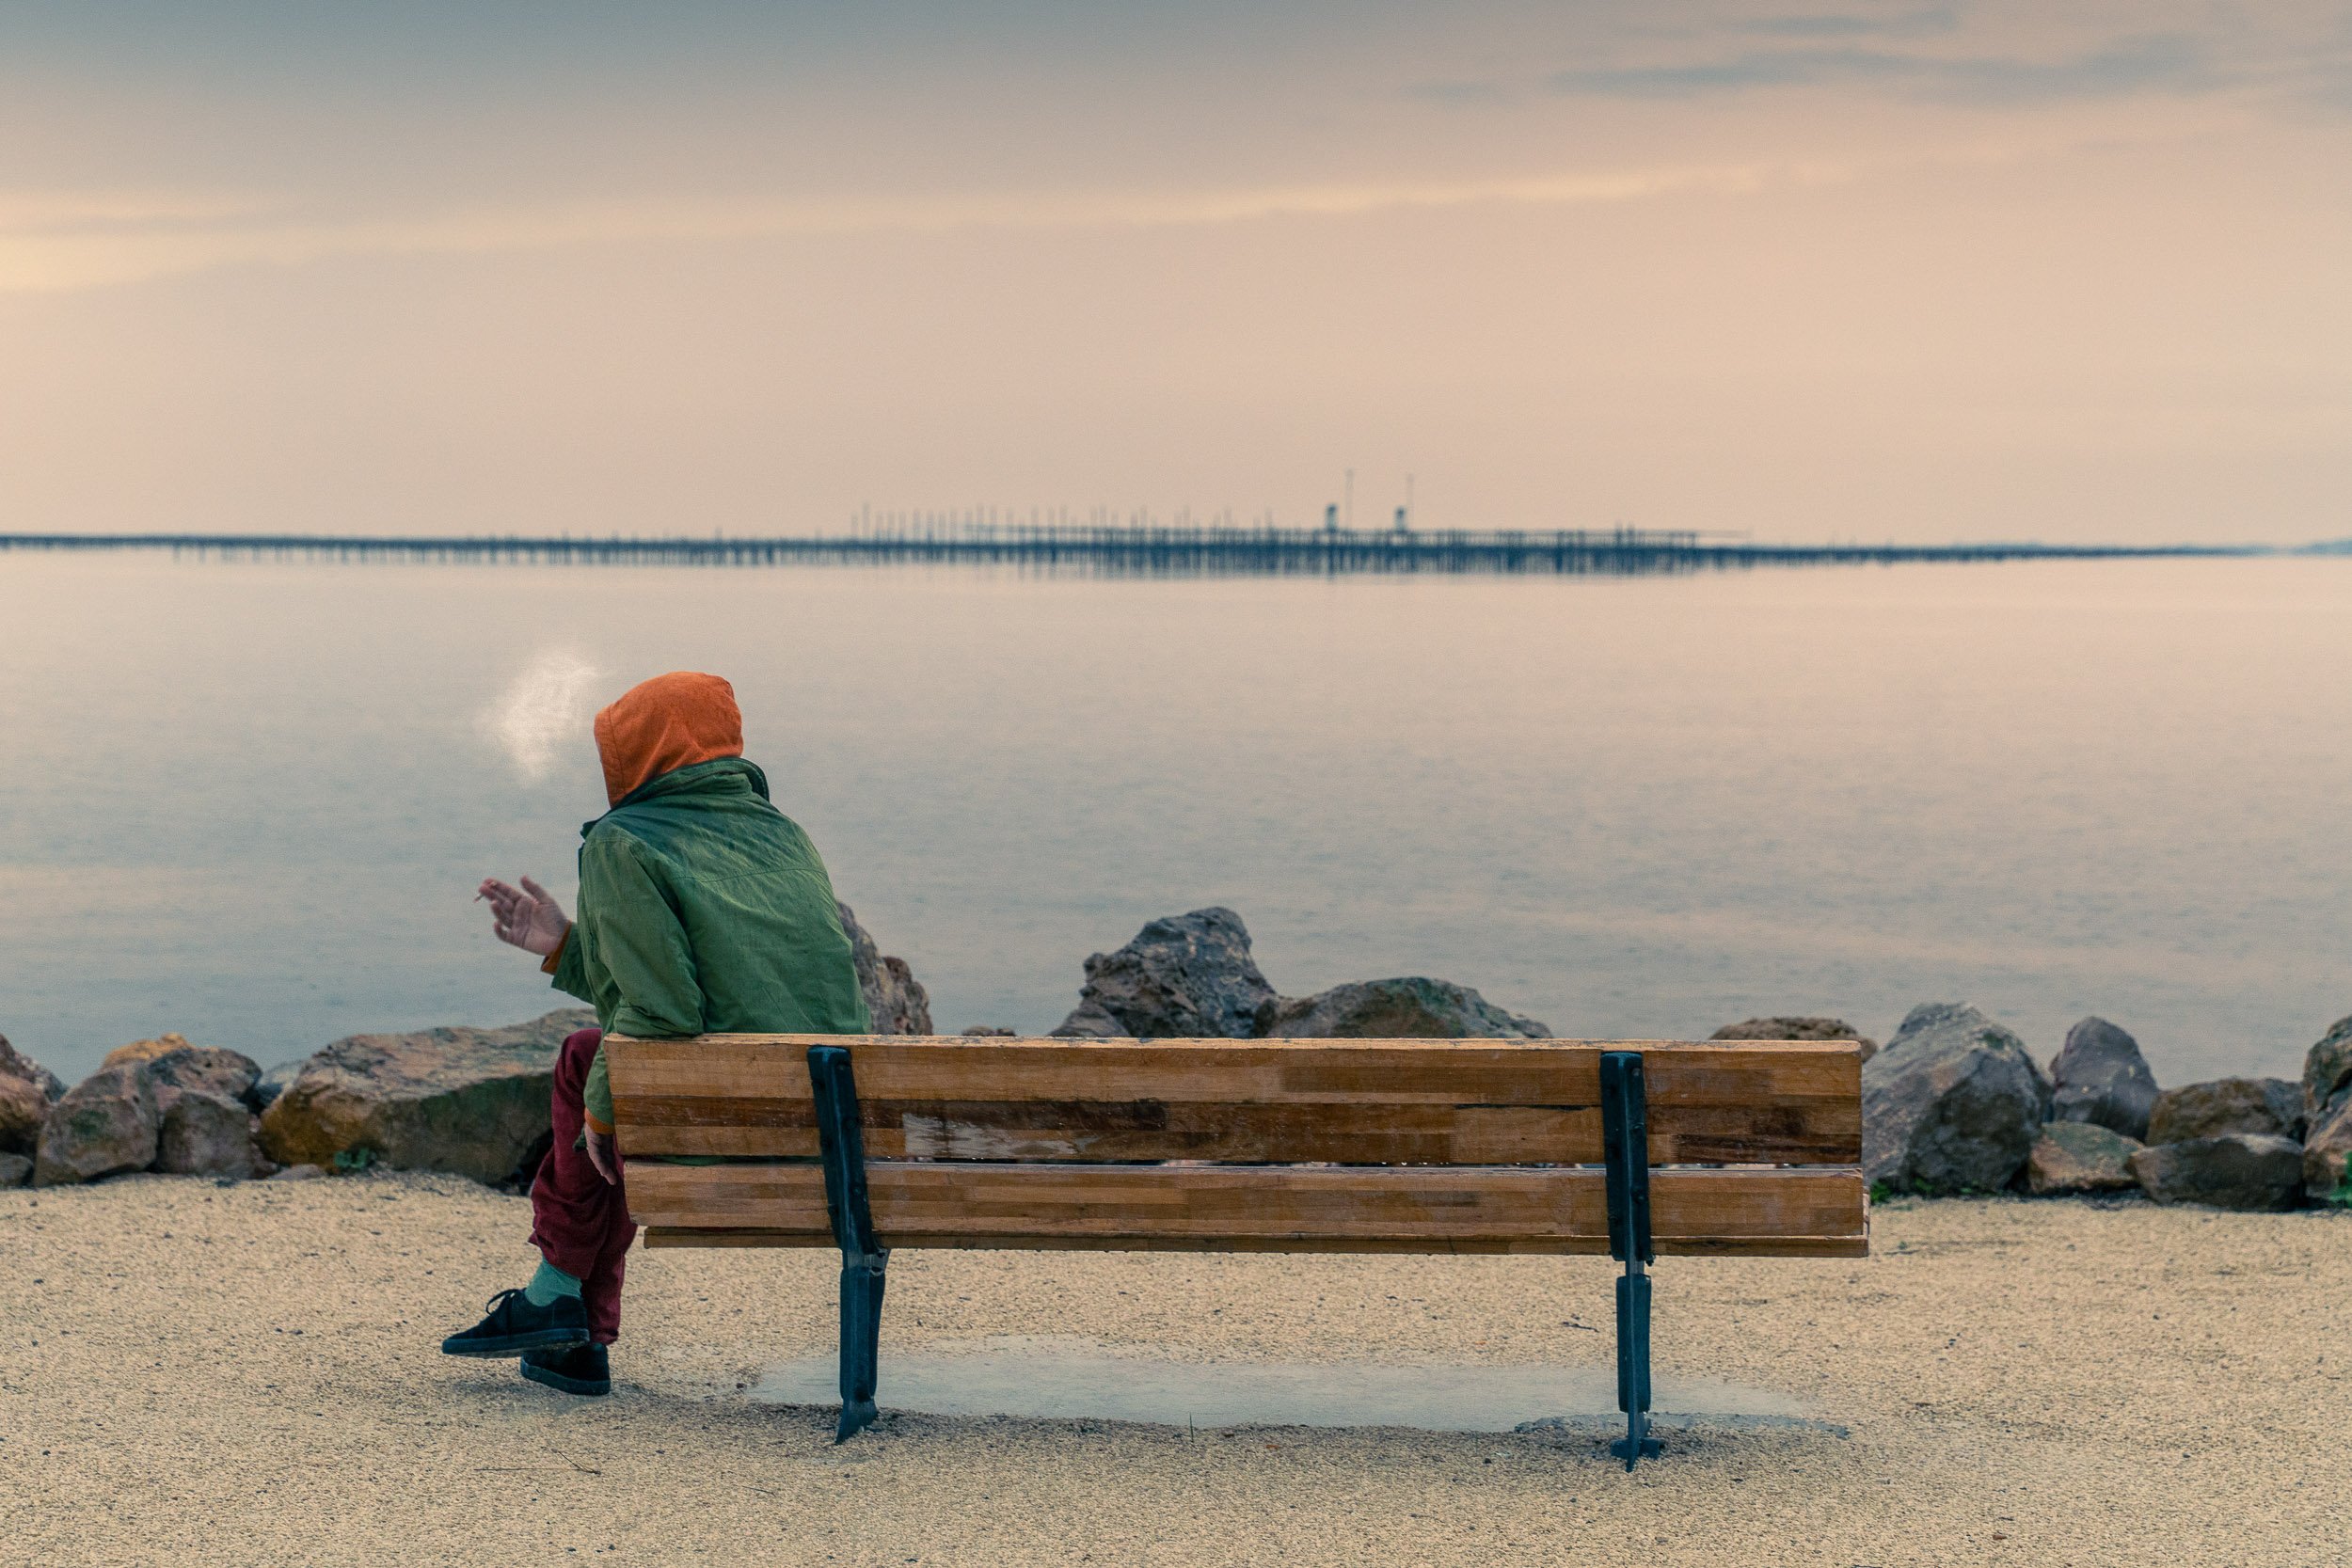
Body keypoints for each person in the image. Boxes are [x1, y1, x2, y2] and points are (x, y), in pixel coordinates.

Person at [440, 670, 870, 1395]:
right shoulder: (783, 837)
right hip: (830, 1146)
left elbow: (662, 1016)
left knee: (587, 1064)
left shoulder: (623, 842)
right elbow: (729, 990)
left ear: (636, 755)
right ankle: (567, 1325)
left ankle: (561, 1304)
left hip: (721, 1147)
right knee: (601, 1067)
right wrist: (568, 946)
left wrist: (603, 1113)